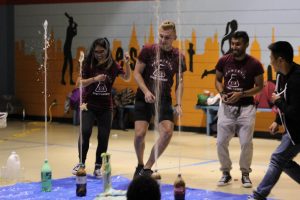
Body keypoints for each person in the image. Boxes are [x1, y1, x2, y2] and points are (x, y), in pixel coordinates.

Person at [133, 20, 186, 178]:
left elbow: (180, 82)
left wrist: (178, 103)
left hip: (164, 99)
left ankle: (148, 167)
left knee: (168, 132)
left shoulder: (179, 56)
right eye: (161, 36)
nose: (163, 40)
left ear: (174, 37)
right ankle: (140, 164)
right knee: (139, 134)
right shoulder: (148, 50)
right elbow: (136, 73)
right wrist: (146, 91)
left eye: (167, 37)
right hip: (144, 96)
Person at [72, 38, 131, 177]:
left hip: (106, 107)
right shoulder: (88, 64)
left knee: (103, 137)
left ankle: (98, 166)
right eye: (96, 51)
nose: (99, 54)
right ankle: (81, 163)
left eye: (102, 51)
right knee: (85, 132)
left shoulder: (113, 65)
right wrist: (94, 79)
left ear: (107, 50)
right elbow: (78, 83)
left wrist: (127, 63)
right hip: (89, 105)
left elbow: (127, 78)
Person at [250, 41, 300, 200]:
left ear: (280, 60)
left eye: (271, 58)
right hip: (293, 128)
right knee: (283, 161)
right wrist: (277, 121)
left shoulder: (297, 80)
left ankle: (259, 195)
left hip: (298, 128)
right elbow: (282, 99)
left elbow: (296, 112)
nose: (269, 61)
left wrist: (278, 102)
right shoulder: (280, 76)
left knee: (278, 159)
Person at [215, 31, 264, 188]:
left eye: (238, 44)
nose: (234, 47)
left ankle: (245, 173)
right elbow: (217, 80)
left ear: (246, 44)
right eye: (233, 44)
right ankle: (225, 173)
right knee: (221, 142)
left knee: (246, 143)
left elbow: (260, 87)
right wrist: (222, 93)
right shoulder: (223, 61)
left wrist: (241, 93)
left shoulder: (255, 64)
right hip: (227, 107)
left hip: (246, 108)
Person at [61, 13, 77, 85]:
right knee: (67, 63)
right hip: (66, 48)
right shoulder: (69, 28)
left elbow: (74, 34)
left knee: (69, 64)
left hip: (67, 48)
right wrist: (75, 27)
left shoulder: (70, 28)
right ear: (70, 22)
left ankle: (68, 80)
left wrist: (75, 27)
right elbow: (73, 33)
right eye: (71, 21)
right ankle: (64, 79)